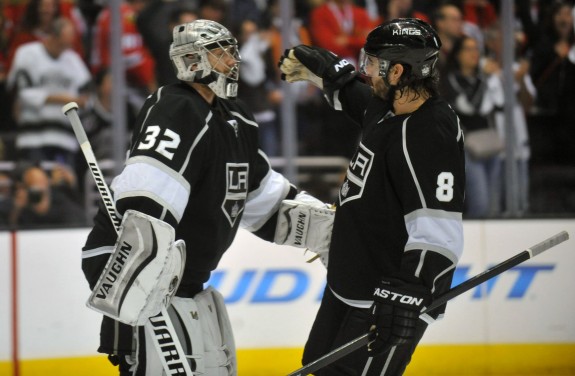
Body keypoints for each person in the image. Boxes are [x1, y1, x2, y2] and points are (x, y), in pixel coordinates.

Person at [80, 19, 333, 375]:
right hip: (133, 278)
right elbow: (146, 206)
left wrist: (328, 228)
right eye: (220, 52)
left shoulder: (237, 119)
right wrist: (136, 289)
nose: (232, 59)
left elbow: (265, 202)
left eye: (231, 51)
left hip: (185, 287)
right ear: (193, 60)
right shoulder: (174, 108)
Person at [279, 18, 465, 374]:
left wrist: (408, 296)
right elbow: (356, 97)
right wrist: (325, 72)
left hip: (385, 302)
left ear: (397, 71)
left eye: (372, 65)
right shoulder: (389, 108)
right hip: (349, 285)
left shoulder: (428, 132)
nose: (367, 73)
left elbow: (439, 231)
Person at [6, 17, 91, 170]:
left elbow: (87, 97)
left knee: (62, 189)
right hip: (32, 138)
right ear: (53, 36)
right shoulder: (27, 54)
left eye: (68, 44)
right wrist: (62, 99)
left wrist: (80, 101)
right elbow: (24, 94)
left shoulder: (74, 60)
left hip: (65, 139)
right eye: (62, 44)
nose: (65, 48)